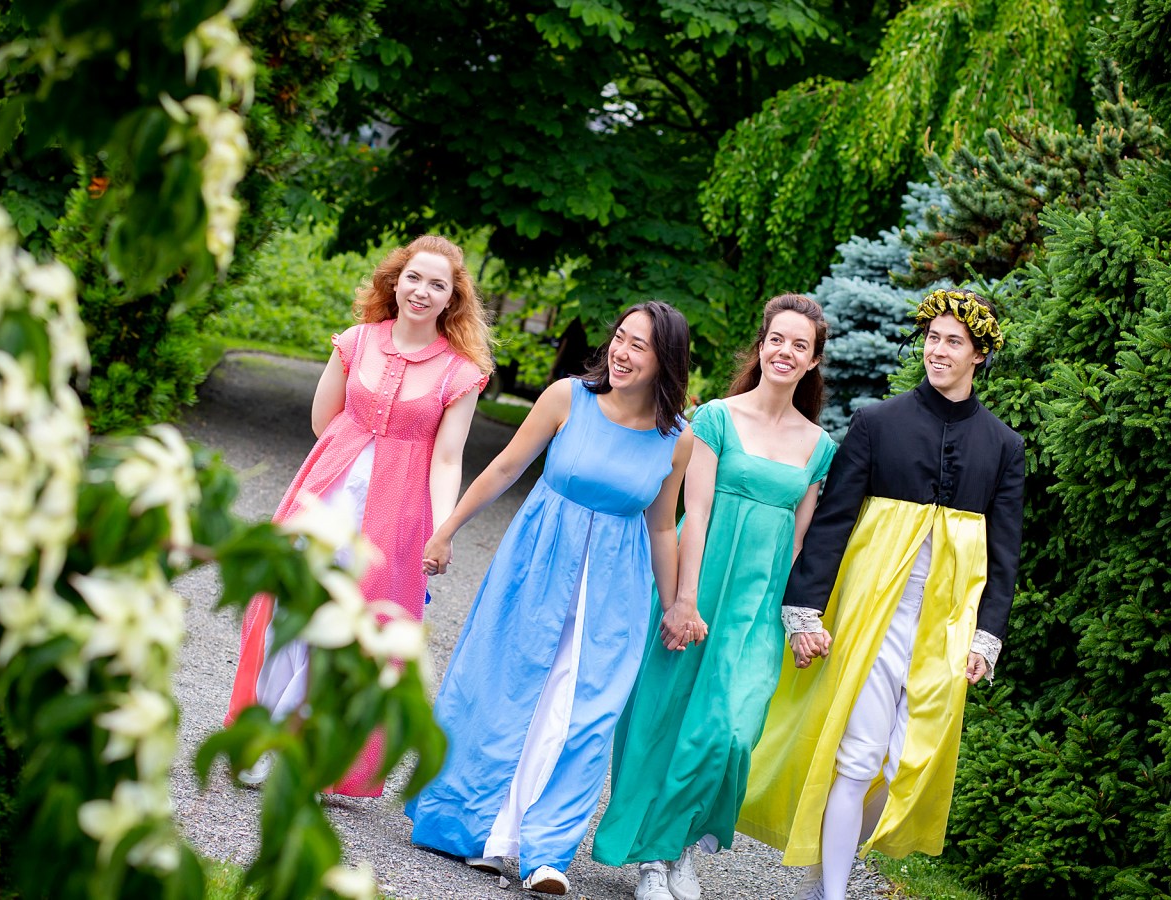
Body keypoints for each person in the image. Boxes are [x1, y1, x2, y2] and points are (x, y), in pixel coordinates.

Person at [738, 288, 1024, 900]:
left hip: (946, 624)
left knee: (902, 767)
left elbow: (1004, 554)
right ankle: (833, 890)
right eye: (932, 338)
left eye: (953, 341)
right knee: (860, 757)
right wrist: (804, 609)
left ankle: (831, 872)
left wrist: (987, 634)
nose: (937, 350)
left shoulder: (1004, 447)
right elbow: (835, 521)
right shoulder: (877, 423)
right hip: (875, 613)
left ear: (979, 356)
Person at [406, 301, 694, 897]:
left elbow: (663, 526)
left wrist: (675, 604)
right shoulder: (569, 398)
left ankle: (546, 852)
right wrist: (446, 529)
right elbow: (507, 466)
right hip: (538, 563)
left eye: (639, 345)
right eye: (620, 338)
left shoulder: (677, 439)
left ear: (666, 359)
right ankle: (481, 832)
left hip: (615, 588)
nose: (621, 352)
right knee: (504, 686)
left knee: (585, 714)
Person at [224, 235, 492, 797]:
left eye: (437, 284)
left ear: (452, 299)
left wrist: (443, 528)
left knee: (356, 631)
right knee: (291, 611)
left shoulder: (460, 374)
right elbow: (326, 419)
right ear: (396, 281)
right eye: (414, 278)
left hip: (397, 516)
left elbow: (447, 458)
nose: (422, 291)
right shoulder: (355, 341)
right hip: (326, 496)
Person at [592, 295, 838, 900]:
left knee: (730, 733)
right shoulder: (718, 419)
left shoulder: (820, 446)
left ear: (812, 362)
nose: (785, 352)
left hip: (756, 613)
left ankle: (680, 842)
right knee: (663, 720)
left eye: (799, 345)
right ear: (761, 345)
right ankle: (656, 858)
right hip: (697, 591)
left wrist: (800, 621)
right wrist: (684, 600)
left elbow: (802, 545)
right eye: (777, 339)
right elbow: (693, 514)